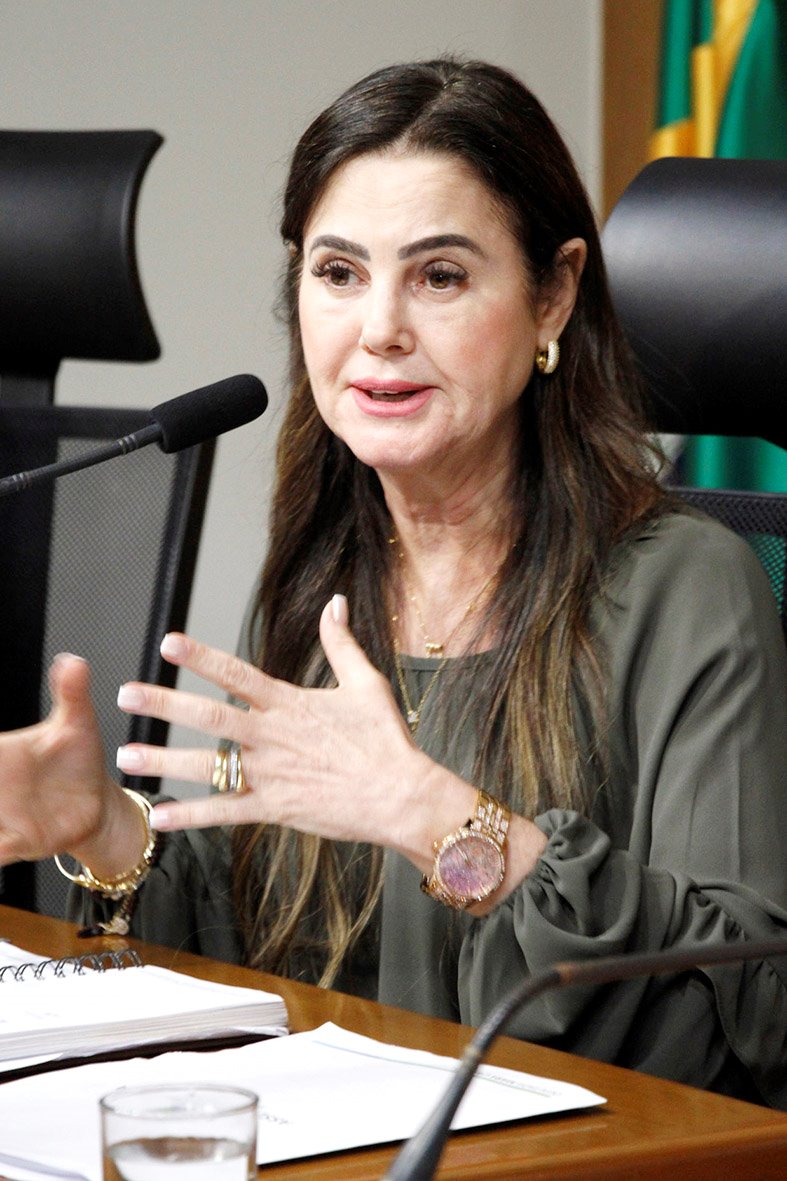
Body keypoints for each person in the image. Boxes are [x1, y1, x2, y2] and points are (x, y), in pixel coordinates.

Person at [0, 57, 785, 1108]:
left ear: (552, 295)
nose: (378, 329)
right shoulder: (324, 578)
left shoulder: (687, 588)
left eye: (439, 275)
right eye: (338, 272)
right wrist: (106, 826)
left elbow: (748, 1012)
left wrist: (434, 817)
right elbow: (265, 950)